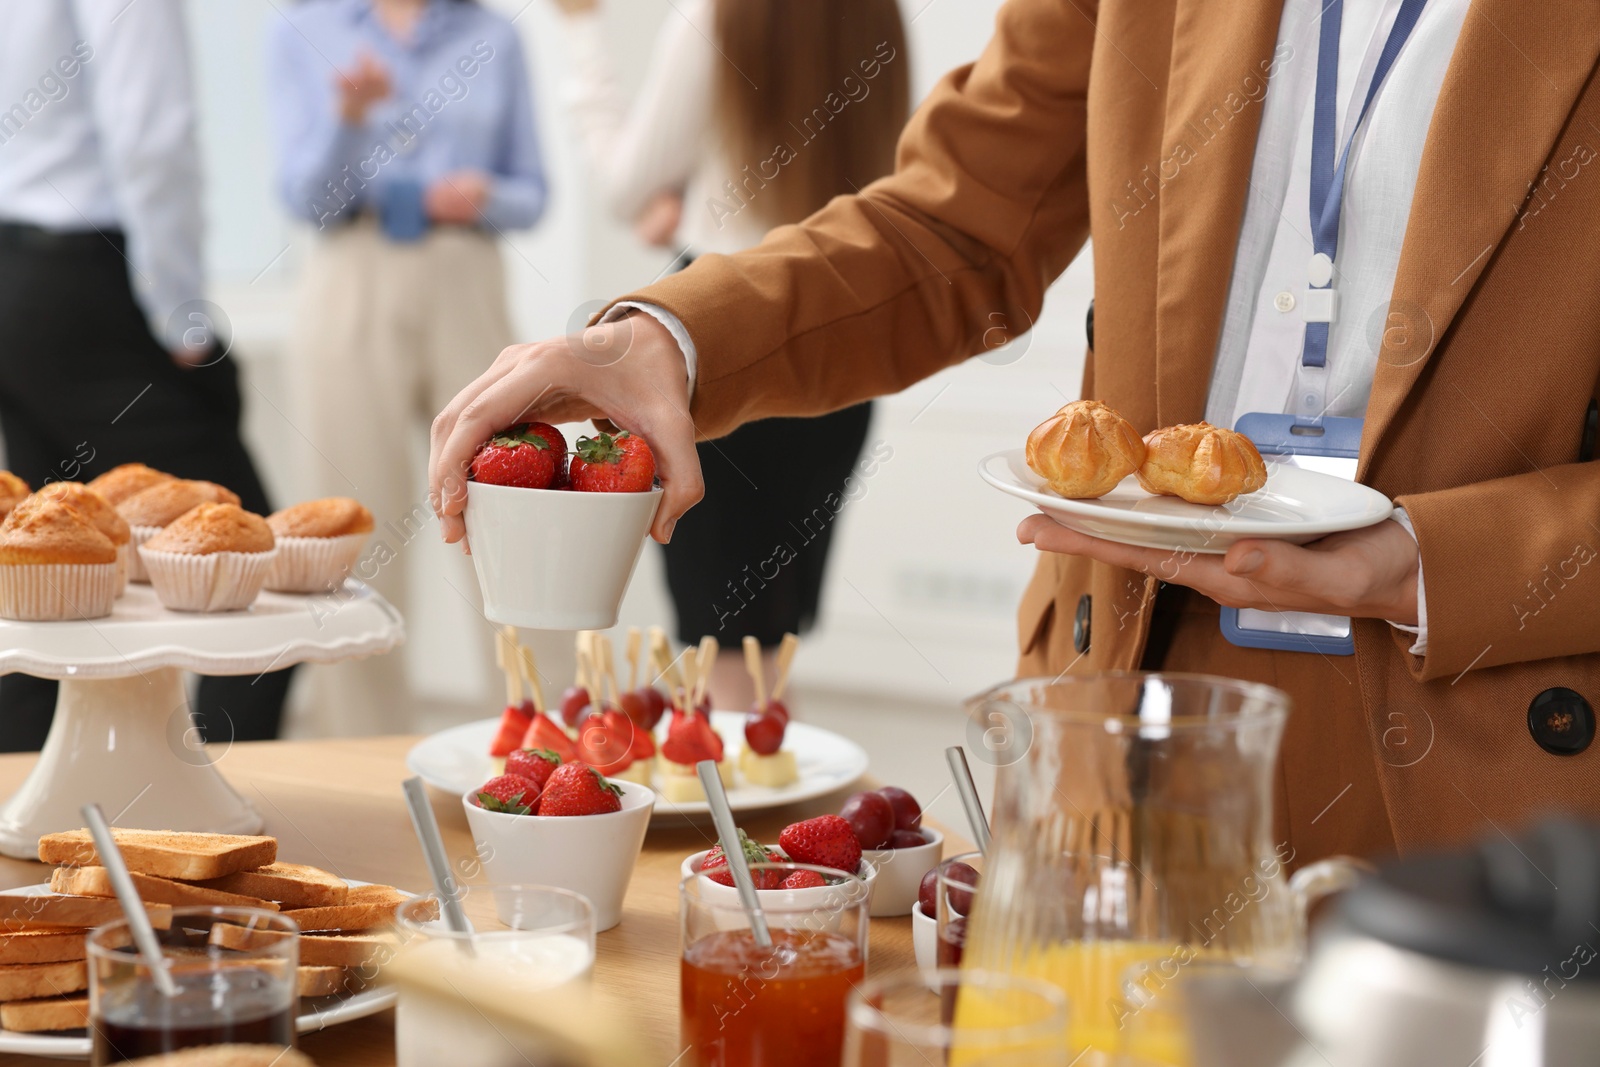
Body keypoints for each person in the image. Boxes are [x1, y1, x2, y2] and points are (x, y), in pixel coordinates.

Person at [430, 0, 1600, 865]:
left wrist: (1441, 560)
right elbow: (952, 227)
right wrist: (672, 338)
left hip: (1489, 733)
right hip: (1134, 688)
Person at [548, 0, 909, 707]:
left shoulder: (717, 16)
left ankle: (738, 815)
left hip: (720, 335)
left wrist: (581, 30)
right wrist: (692, 199)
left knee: (720, 642)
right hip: (837, 337)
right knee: (764, 642)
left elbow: (625, 186)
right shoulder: (874, 15)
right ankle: (774, 806)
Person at [0, 0, 291, 749]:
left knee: (40, 574)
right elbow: (152, 133)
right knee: (263, 562)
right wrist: (182, 317)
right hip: (85, 280)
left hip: (19, 283)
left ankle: (39, 828)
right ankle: (201, 808)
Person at [267, 0, 547, 732]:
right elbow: (306, 197)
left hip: (467, 273)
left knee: (506, 514)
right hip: (352, 274)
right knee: (352, 526)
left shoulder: (496, 35)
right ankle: (365, 751)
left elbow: (532, 192)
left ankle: (536, 740)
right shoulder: (304, 29)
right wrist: (347, 120)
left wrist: (489, 194)